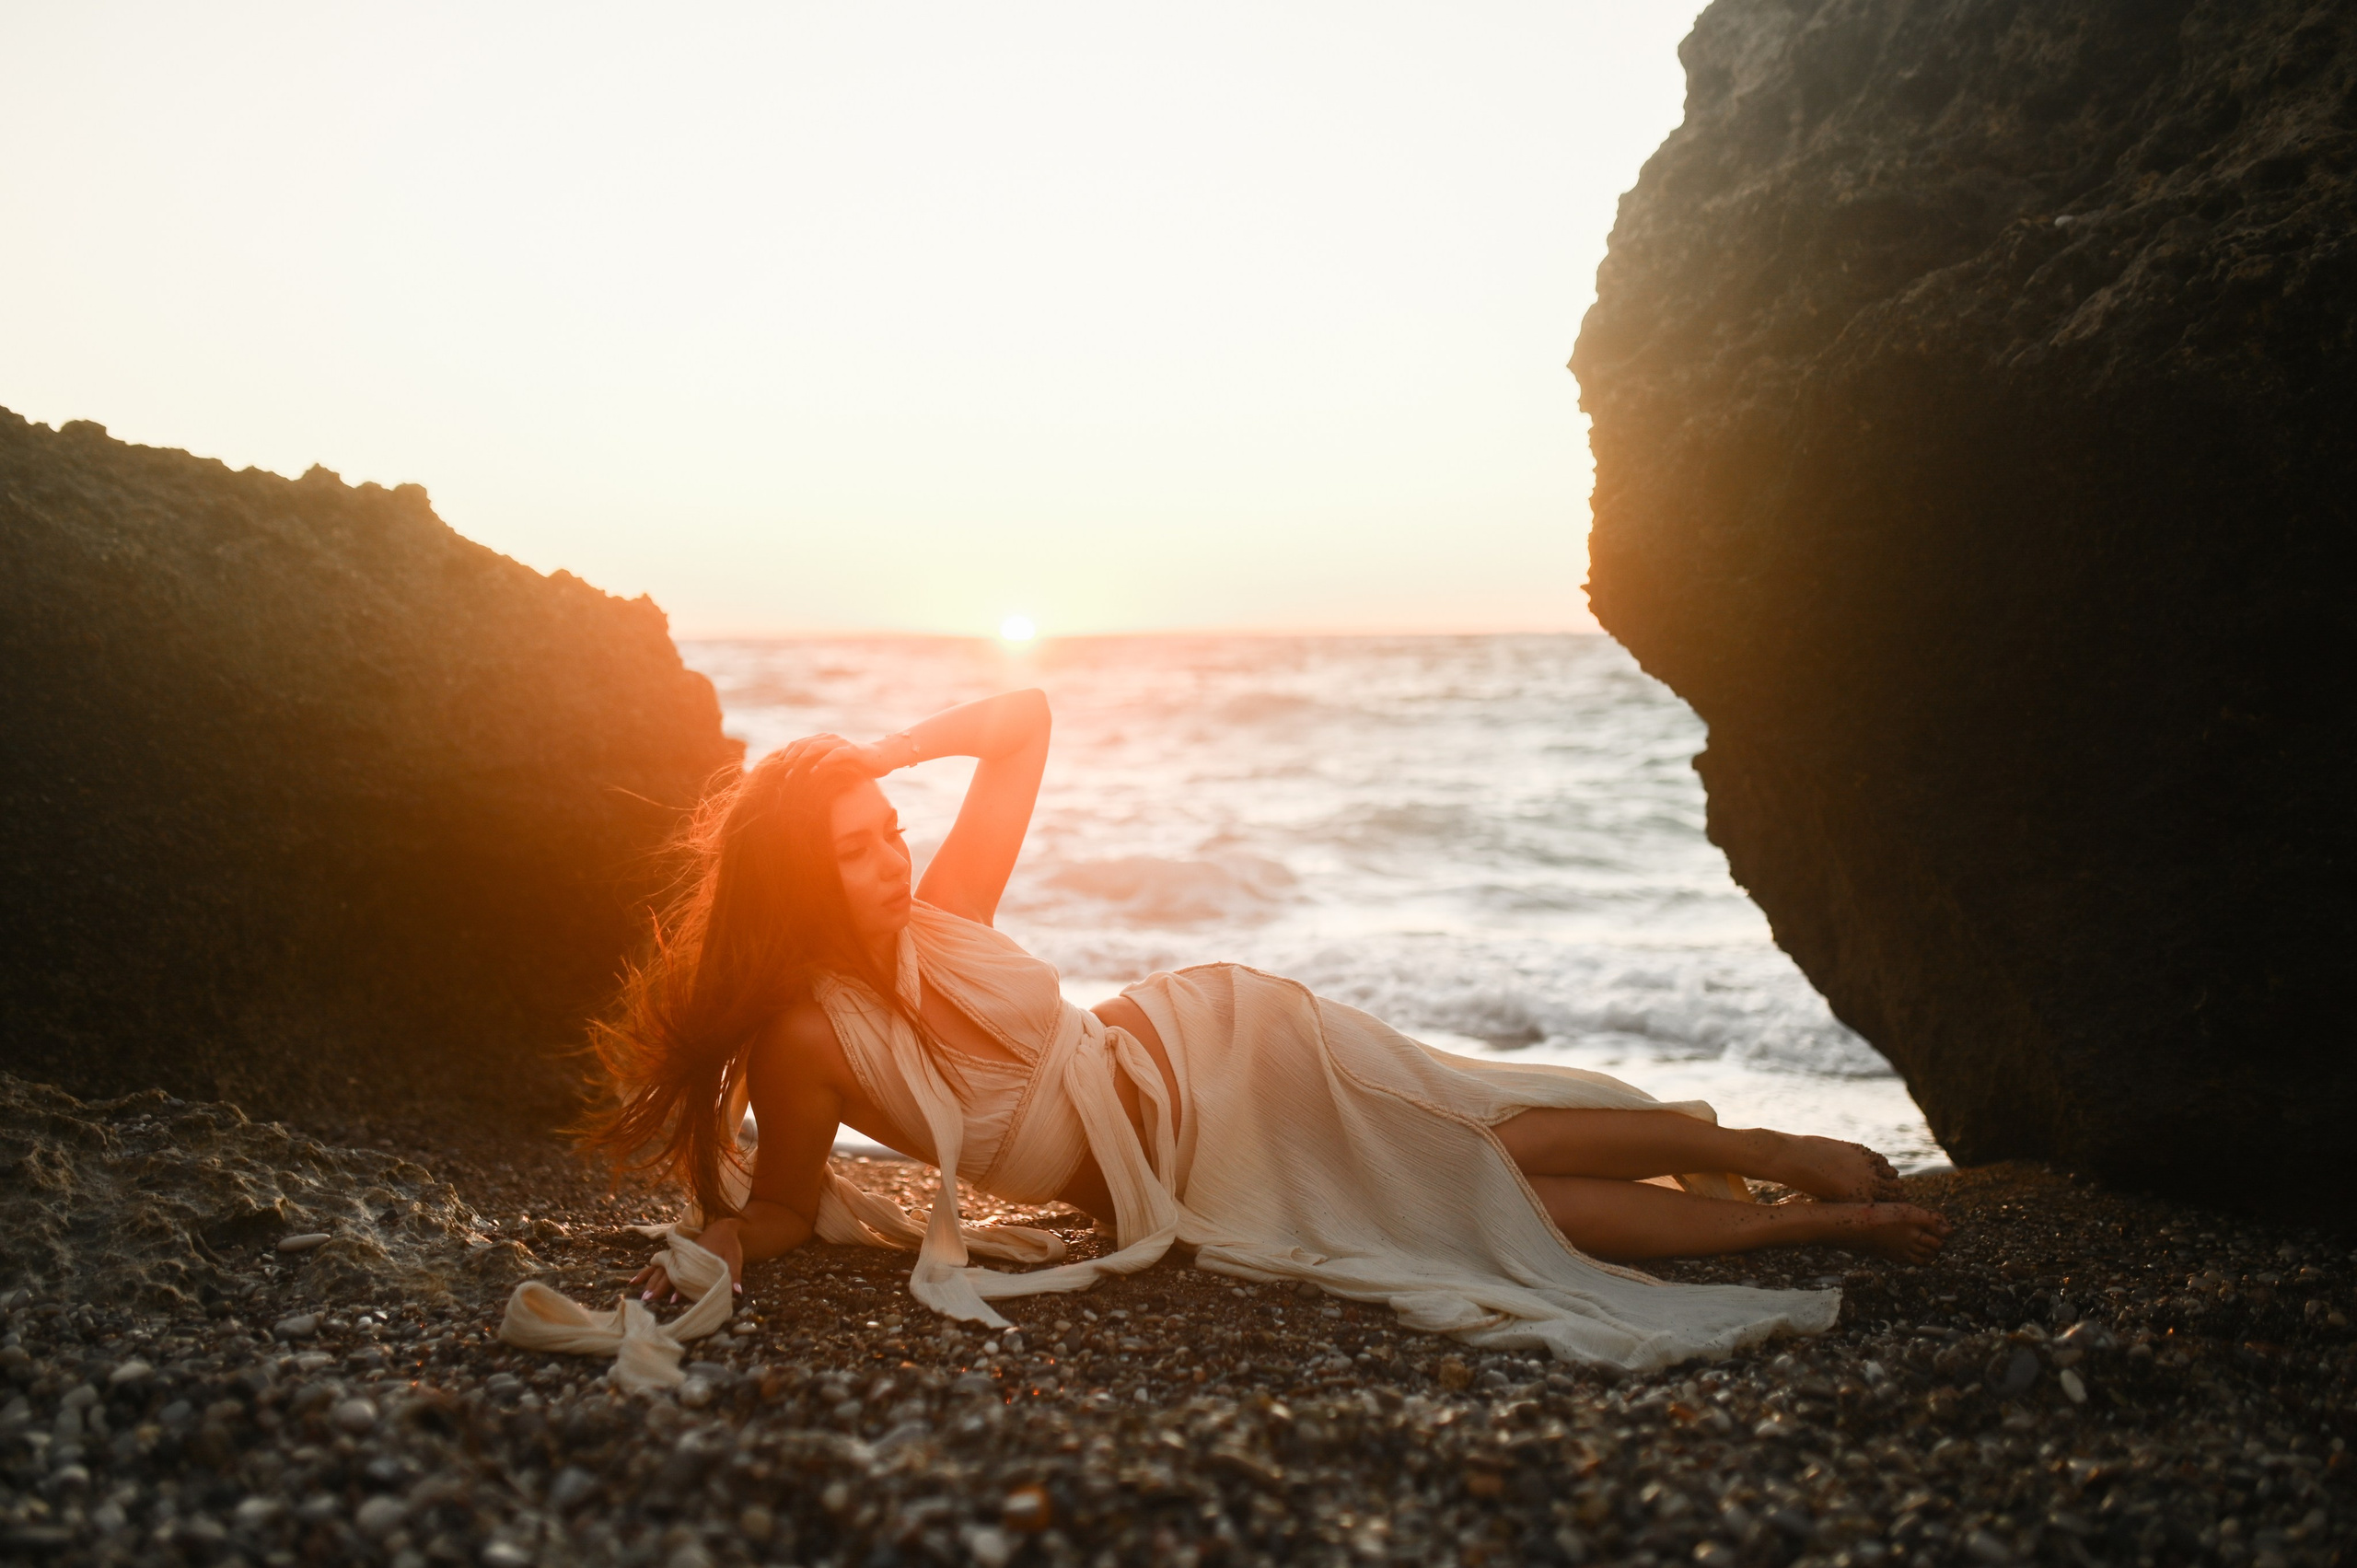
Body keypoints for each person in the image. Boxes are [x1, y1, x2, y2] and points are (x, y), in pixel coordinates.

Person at [580, 689, 1951, 1373]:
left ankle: (1767, 1152)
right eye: (855, 850)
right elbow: (783, 1204)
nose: (892, 859)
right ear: (798, 878)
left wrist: (861, 765)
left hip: (1219, 1044)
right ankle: (1793, 1223)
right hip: (1186, 1171)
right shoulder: (807, 1040)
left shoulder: (943, 915)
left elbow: (1023, 720)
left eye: (890, 833)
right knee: (1478, 1205)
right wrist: (722, 1244)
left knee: (1479, 1131)